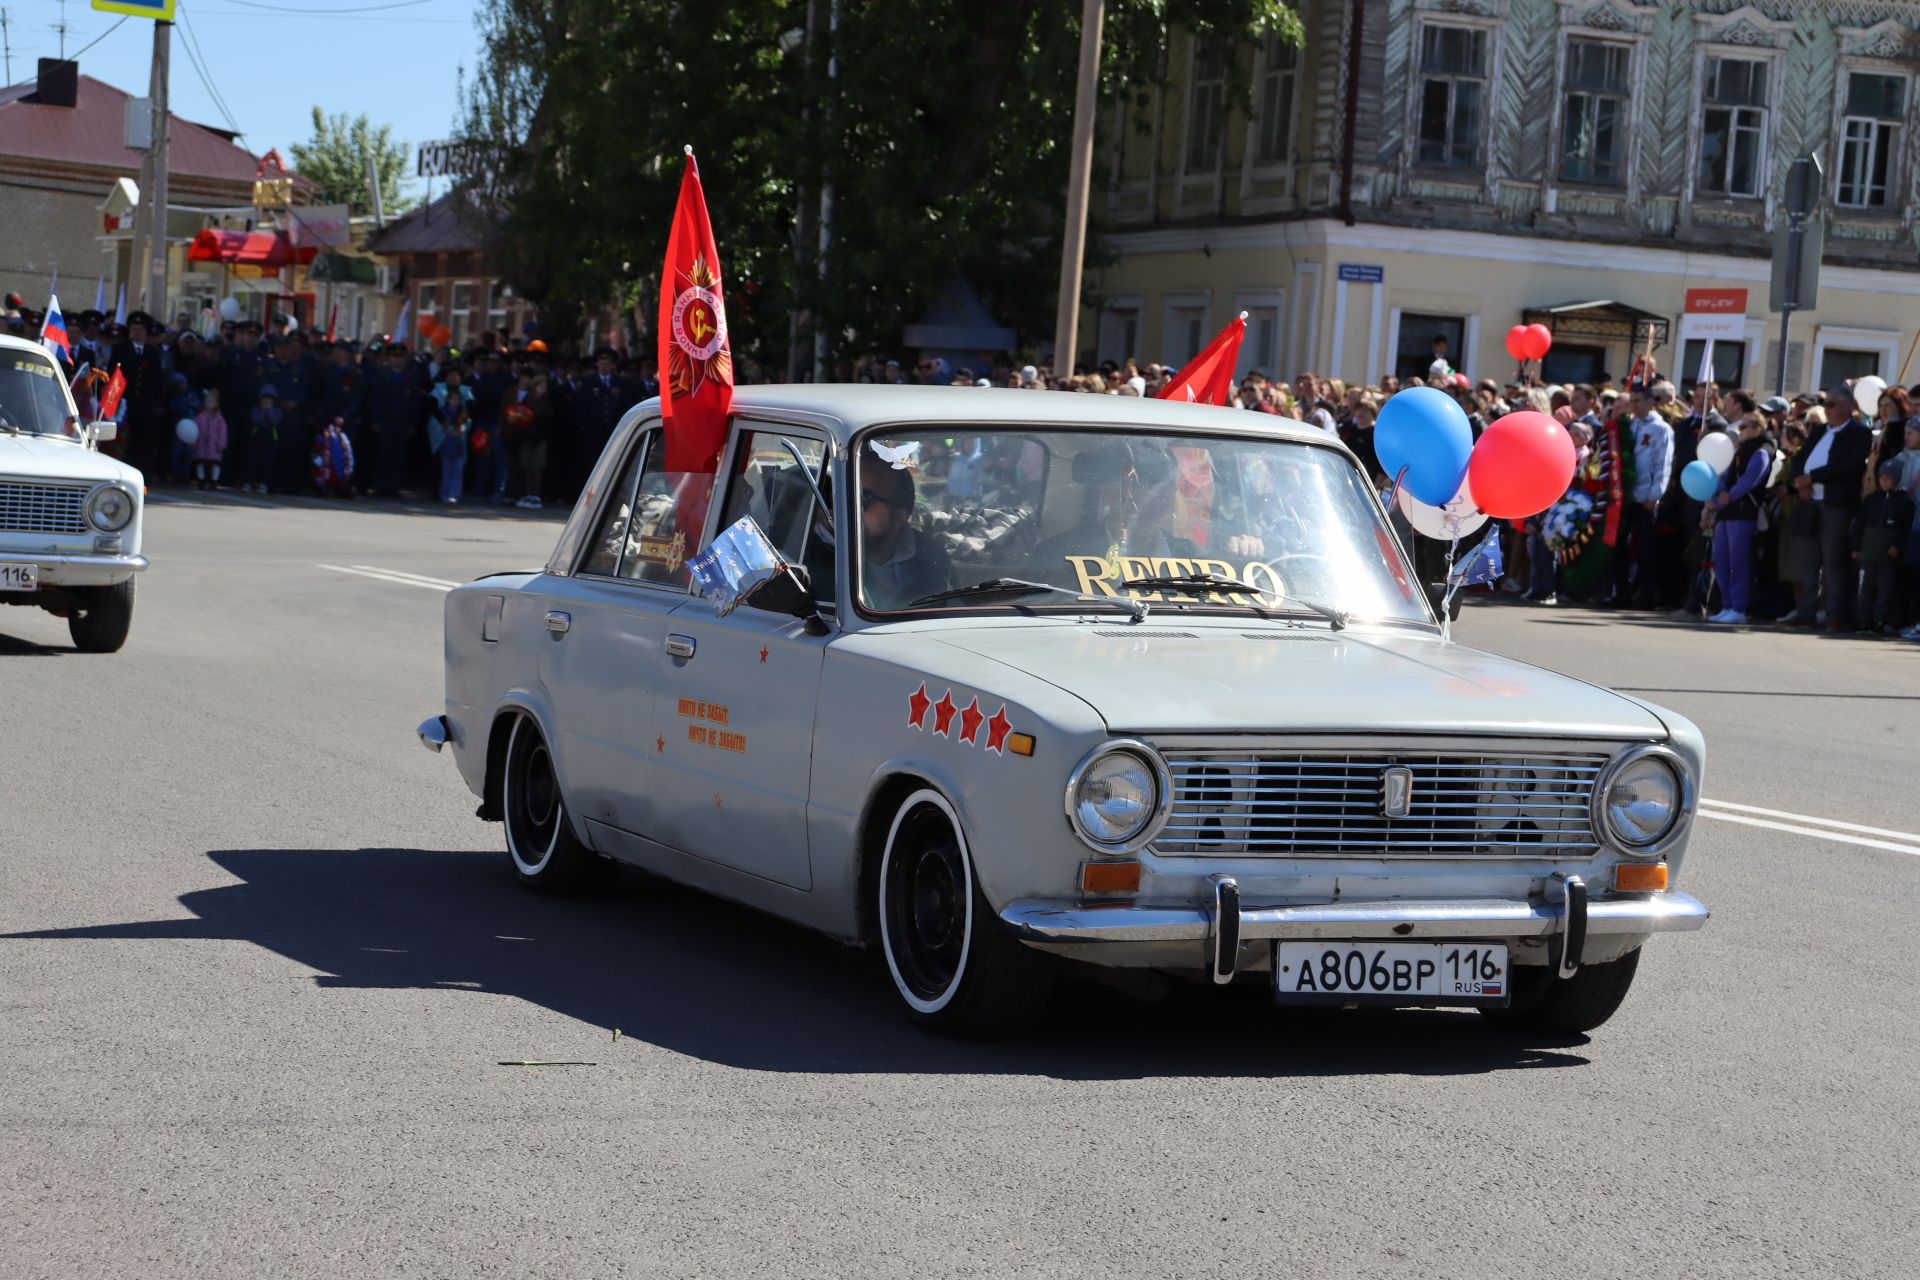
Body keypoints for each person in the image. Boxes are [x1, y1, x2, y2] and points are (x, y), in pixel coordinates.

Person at [1784, 386, 1873, 630]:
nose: (1828, 409)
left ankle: (1835, 614)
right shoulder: (1820, 430)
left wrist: (1813, 478)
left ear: (1847, 406)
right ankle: (1806, 612)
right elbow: (1800, 458)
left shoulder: (1859, 433)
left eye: (1832, 404)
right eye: (1826, 405)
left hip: (1836, 505)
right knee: (1809, 561)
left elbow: (1849, 465)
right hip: (1811, 503)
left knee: (1834, 562)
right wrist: (1799, 481)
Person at [858, 446, 952, 609]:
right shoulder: (818, 555)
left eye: (864, 499)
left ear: (902, 514)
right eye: (841, 494)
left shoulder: (932, 557)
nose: (846, 506)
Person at [1702, 413, 1774, 624]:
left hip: (1743, 512)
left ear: (1758, 429)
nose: (1739, 431)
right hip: (1727, 512)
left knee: (1738, 560)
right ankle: (1726, 605)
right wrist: (1719, 493)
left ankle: (1739, 607)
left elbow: (1750, 480)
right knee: (1721, 560)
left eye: (1744, 427)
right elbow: (1726, 475)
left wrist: (1729, 496)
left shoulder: (1762, 451)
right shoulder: (1739, 451)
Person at [1852, 462, 1912, 634]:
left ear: (1896, 479)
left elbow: (1905, 530)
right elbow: (1858, 525)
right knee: (1864, 589)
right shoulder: (1871, 500)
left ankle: (1879, 623)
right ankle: (1863, 622)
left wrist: (1898, 547)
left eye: (1888, 478)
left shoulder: (1904, 502)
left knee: (1884, 591)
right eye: (1881, 477)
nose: (1883, 481)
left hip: (1888, 556)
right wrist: (1855, 547)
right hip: (1867, 554)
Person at [430, 364, 475, 504]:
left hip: (458, 433)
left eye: (456, 375)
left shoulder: (465, 390)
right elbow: (432, 406)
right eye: (451, 375)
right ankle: (439, 492)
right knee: (441, 465)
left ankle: (455, 493)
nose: (453, 378)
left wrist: (462, 425)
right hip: (440, 431)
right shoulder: (438, 388)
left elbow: (471, 409)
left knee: (457, 468)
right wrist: (444, 422)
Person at [247, 385, 283, 494]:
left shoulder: (277, 410)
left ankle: (264, 483)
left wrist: (269, 411)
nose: (266, 403)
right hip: (257, 438)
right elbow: (255, 420)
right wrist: (263, 411)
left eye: (269, 401)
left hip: (271, 439)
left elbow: (274, 421)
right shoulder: (256, 409)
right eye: (264, 401)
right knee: (252, 461)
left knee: (268, 462)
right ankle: (248, 482)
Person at [191, 388, 228, 491]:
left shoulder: (220, 419)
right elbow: (194, 430)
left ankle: (214, 481)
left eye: (211, 402)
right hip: (201, 445)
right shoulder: (199, 417)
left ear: (216, 403)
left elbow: (222, 433)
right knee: (200, 463)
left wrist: (221, 444)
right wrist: (194, 442)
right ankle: (201, 480)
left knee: (215, 464)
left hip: (214, 446)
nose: (209, 404)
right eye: (207, 401)